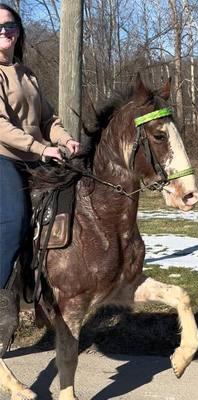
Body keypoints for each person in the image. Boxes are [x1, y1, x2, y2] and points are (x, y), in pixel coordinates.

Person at [0, 3, 80, 359]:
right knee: (15, 222)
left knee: (70, 209)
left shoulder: (27, 73)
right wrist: (39, 147)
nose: (4, 31)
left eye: (10, 25)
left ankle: (46, 292)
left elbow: (49, 117)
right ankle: (3, 300)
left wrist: (64, 140)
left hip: (36, 159)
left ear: (18, 30)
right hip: (4, 159)